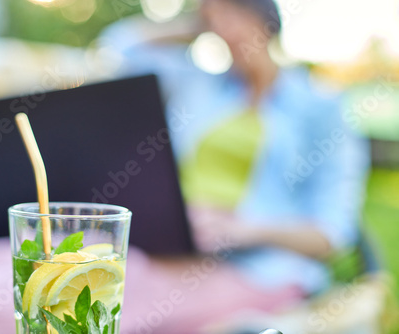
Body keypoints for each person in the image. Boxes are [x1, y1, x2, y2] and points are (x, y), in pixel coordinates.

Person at [100, 0, 369, 331]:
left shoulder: (321, 109)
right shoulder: (200, 85)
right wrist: (197, 23)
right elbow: (119, 48)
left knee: (121, 313)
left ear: (264, 18)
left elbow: (332, 233)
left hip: (261, 271)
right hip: (177, 251)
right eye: (216, 19)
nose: (226, 29)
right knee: (62, 272)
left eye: (237, 15)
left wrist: (243, 231)